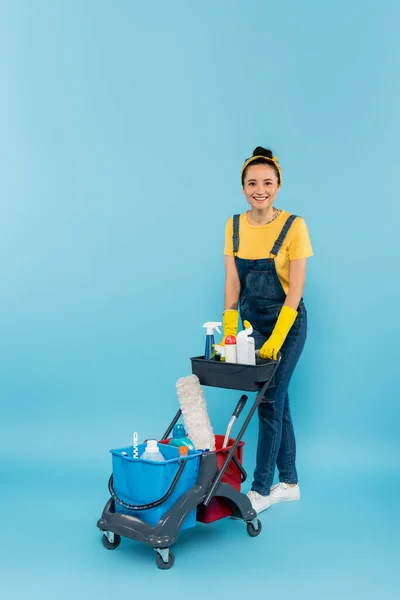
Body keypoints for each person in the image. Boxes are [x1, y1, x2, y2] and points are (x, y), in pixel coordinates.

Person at [222, 146, 313, 514]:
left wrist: (277, 338)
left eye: (268, 182)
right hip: (250, 327)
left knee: (268, 402)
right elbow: (232, 281)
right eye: (252, 183)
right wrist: (231, 324)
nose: (260, 189)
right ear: (243, 187)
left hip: (287, 325)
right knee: (279, 400)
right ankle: (288, 482)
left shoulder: (294, 226)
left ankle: (259, 490)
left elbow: (296, 290)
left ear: (278, 186)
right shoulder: (233, 225)